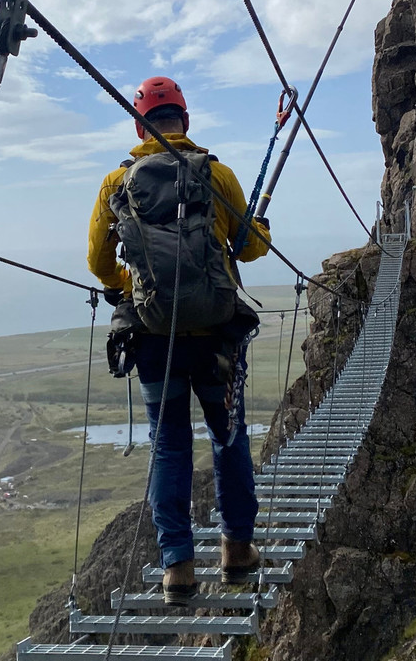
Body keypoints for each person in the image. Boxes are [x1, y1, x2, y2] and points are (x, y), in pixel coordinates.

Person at [87, 76, 271, 605]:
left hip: (155, 340)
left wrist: (132, 289)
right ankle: (237, 551)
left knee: (169, 447)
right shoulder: (220, 176)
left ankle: (178, 569)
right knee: (228, 438)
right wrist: (258, 228)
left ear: (138, 126)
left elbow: (99, 262)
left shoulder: (115, 184)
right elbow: (251, 249)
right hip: (218, 337)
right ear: (184, 122)